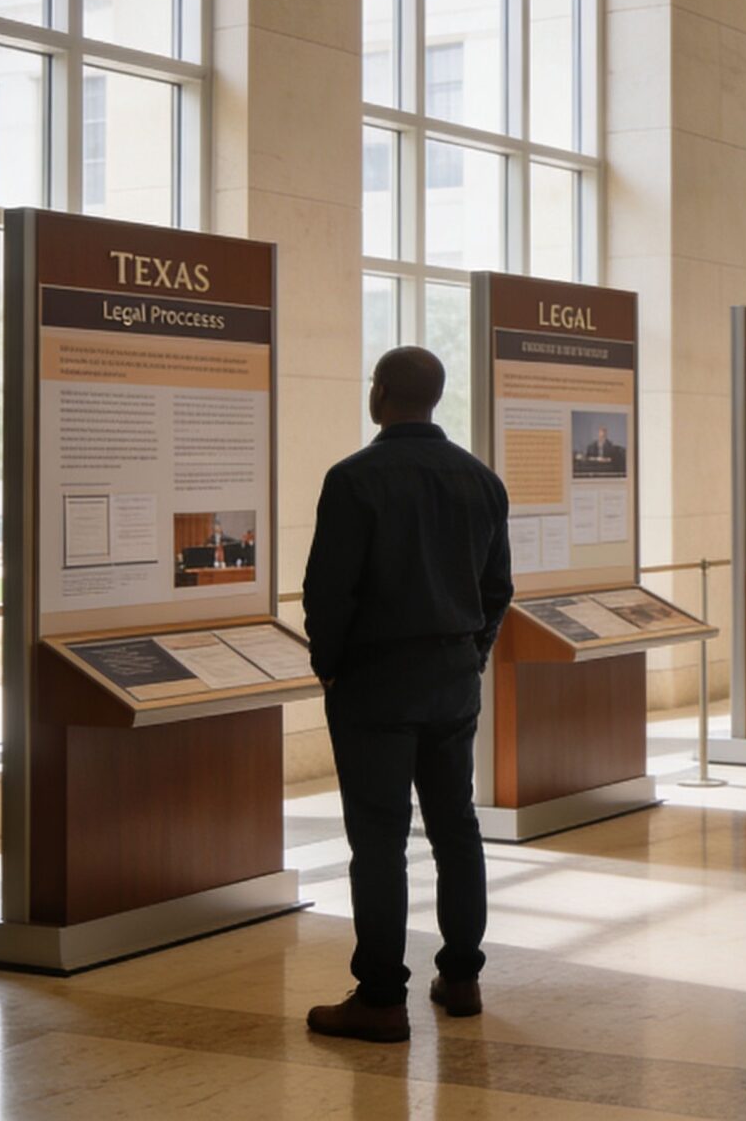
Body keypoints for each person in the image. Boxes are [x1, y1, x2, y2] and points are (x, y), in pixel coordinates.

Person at [302, 347, 514, 1043]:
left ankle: (381, 996)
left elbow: (330, 591)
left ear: (382, 392)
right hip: (453, 681)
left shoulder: (354, 479)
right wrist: (471, 655)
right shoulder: (481, 480)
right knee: (457, 829)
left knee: (379, 840)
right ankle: (461, 977)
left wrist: (330, 667)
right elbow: (496, 589)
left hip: (374, 685)